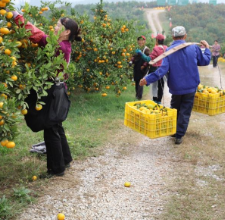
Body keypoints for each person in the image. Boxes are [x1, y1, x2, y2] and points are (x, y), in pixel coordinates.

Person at [12, 11, 81, 177]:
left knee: (50, 128)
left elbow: (37, 35)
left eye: (58, 26)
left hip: (52, 90)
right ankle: (65, 159)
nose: (54, 27)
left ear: (66, 32)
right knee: (56, 125)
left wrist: (17, 17)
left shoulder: (58, 46)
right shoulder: (63, 44)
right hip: (58, 88)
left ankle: (56, 169)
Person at [139, 26, 211, 145]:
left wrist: (147, 79)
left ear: (173, 37)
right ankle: (179, 135)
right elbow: (204, 61)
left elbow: (161, 71)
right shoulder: (193, 47)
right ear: (185, 36)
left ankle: (174, 131)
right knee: (185, 111)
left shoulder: (169, 52)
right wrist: (207, 49)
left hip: (176, 88)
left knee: (175, 109)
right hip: (190, 87)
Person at [129, 36, 150, 100]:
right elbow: (133, 56)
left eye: (142, 40)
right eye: (139, 40)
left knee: (141, 81)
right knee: (136, 80)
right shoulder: (136, 48)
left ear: (144, 41)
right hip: (136, 66)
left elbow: (148, 59)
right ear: (138, 41)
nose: (140, 42)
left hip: (142, 67)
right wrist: (131, 61)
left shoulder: (146, 49)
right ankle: (137, 94)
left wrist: (144, 65)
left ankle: (139, 96)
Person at [148, 34, 167, 104]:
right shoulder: (166, 48)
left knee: (154, 85)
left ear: (157, 41)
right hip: (164, 69)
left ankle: (154, 99)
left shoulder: (155, 49)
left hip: (156, 69)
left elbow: (152, 57)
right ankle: (159, 100)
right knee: (161, 85)